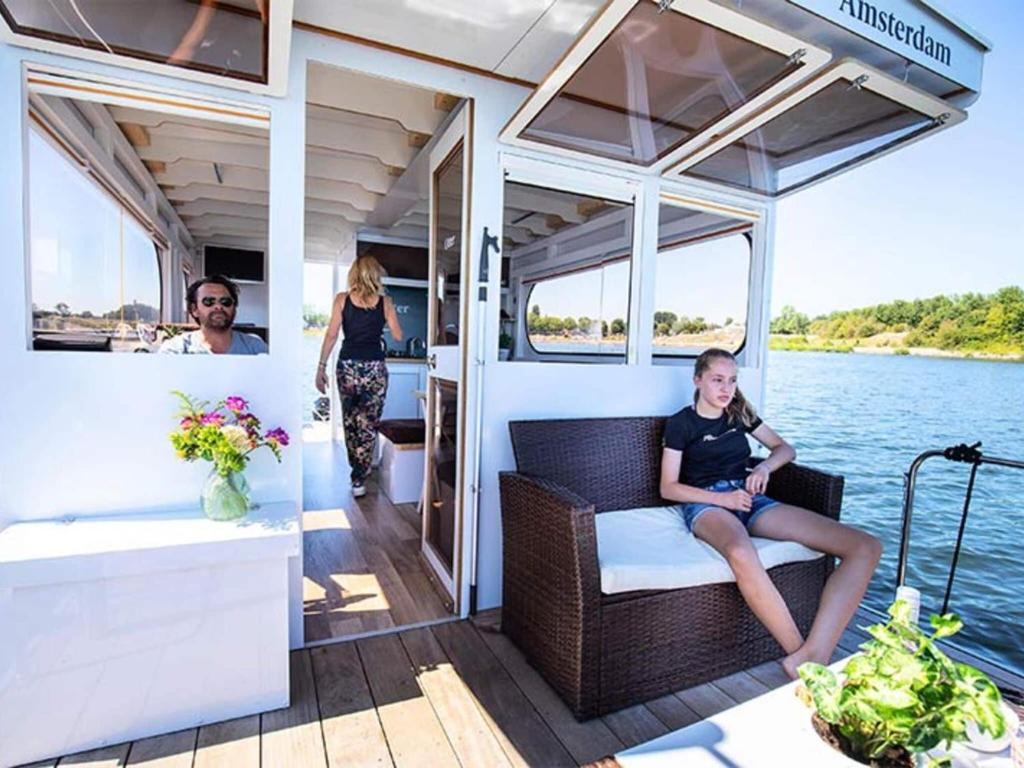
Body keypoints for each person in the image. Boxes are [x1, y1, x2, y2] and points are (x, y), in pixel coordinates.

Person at [659, 348, 881, 679]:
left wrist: (763, 467)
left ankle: (815, 653)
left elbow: (785, 449)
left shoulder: (739, 414)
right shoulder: (681, 423)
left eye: (732, 381)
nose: (726, 389)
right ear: (698, 380)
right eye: (717, 380)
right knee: (740, 551)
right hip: (706, 504)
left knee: (865, 547)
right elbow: (669, 488)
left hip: (751, 501)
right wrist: (724, 500)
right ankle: (803, 661)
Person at [315, 256, 403, 498]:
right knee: (368, 424)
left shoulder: (342, 299)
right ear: (375, 275)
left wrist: (320, 367)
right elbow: (397, 335)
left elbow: (332, 335)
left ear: (353, 274)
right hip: (374, 368)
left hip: (348, 367)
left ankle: (357, 473)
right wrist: (385, 317)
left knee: (351, 422)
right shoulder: (385, 302)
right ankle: (359, 477)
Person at [159, 275, 267, 354]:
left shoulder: (255, 347)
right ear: (194, 309)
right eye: (209, 301)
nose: (218, 307)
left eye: (225, 301)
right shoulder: (176, 349)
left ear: (234, 307)